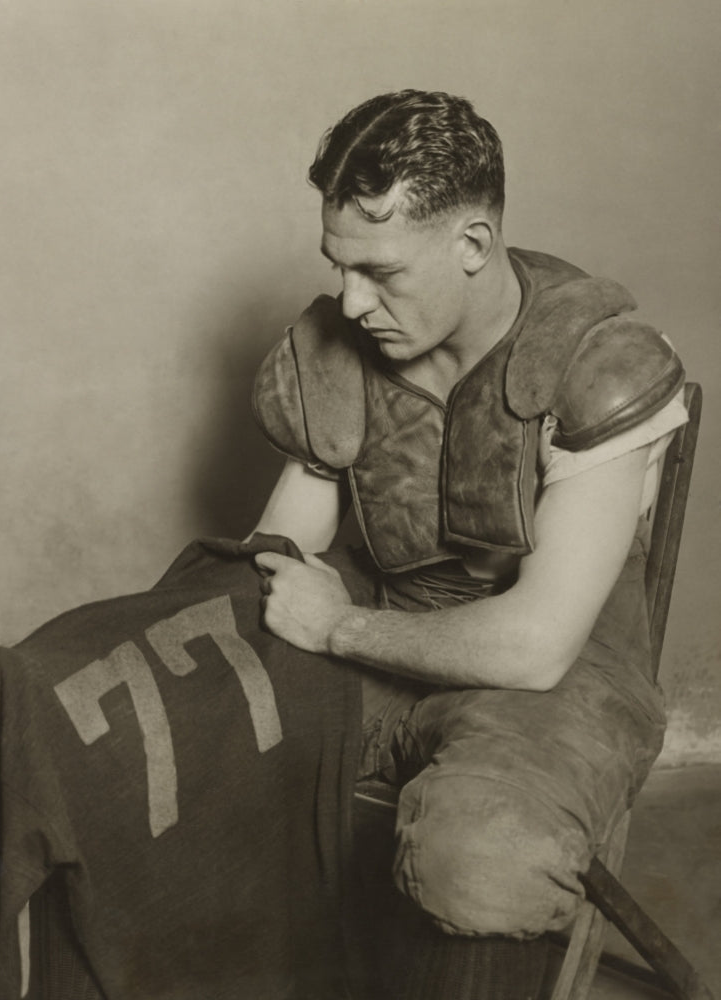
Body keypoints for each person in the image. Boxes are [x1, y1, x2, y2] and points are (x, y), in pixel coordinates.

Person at [249, 90, 687, 999]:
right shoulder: (336, 348)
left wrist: (336, 631)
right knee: (177, 745)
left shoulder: (596, 360)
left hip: (564, 674)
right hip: (385, 622)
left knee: (485, 856)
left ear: (473, 247)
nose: (349, 299)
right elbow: (278, 558)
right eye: (338, 266)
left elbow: (535, 646)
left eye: (381, 272)